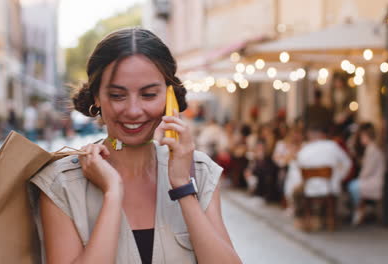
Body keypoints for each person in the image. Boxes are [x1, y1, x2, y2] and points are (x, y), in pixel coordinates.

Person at [30, 28, 241, 264]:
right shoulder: (61, 184)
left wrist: (183, 187)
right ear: (97, 96)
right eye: (118, 95)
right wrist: (112, 193)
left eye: (149, 95)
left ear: (169, 96)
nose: (133, 111)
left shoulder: (199, 172)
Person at [348, 123, 386, 226]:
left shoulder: (372, 149)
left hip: (374, 181)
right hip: (372, 179)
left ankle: (360, 209)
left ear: (366, 136)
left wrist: (360, 177)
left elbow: (367, 170)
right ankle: (363, 209)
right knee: (353, 184)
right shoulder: (372, 148)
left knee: (353, 186)